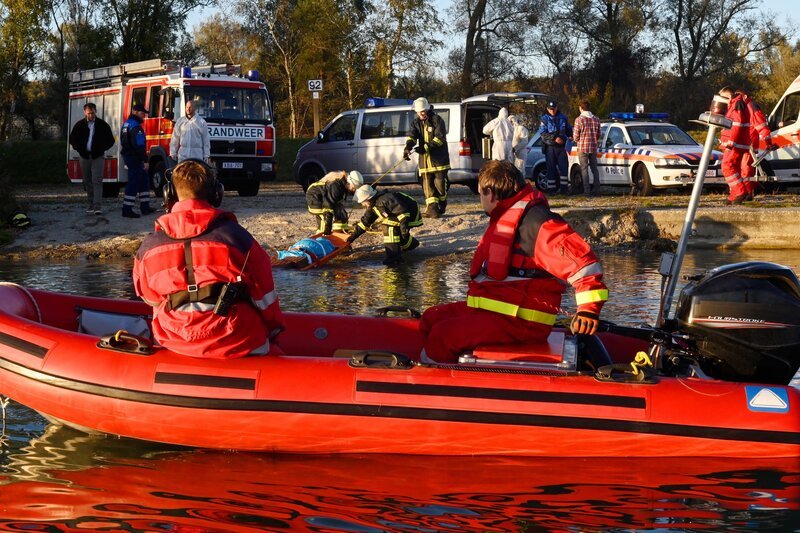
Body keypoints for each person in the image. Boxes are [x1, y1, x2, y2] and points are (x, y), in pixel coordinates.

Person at [419, 160, 608, 363]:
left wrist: (588, 310)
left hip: (521, 323)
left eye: (480, 193)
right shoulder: (507, 216)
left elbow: (584, 265)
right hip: (497, 311)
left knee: (443, 335)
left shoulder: (534, 223)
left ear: (490, 193)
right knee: (431, 318)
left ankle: (438, 385)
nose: (480, 199)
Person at [133, 159, 285, 358]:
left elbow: (149, 298)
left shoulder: (149, 247)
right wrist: (274, 331)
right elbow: (265, 297)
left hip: (173, 341)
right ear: (216, 194)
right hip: (236, 340)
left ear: (169, 195)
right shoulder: (237, 239)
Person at [718, 88, 777, 204]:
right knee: (740, 170)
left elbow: (761, 126)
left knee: (742, 170)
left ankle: (745, 192)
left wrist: (769, 143)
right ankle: (745, 192)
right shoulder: (744, 104)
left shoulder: (746, 105)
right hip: (744, 143)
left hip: (745, 143)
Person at [347, 184, 422, 266]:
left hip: (411, 213)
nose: (362, 204)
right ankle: (410, 245)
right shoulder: (373, 206)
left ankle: (393, 258)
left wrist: (404, 230)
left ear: (368, 198)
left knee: (388, 226)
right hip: (401, 215)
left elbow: (403, 213)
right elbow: (364, 223)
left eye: (362, 202)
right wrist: (351, 238)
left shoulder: (385, 200)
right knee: (395, 230)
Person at [404, 97, 450, 218]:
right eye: (419, 112)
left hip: (439, 160)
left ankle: (442, 202)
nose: (421, 114)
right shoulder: (416, 122)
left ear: (427, 109)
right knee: (427, 185)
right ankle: (432, 209)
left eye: (423, 111)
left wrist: (425, 147)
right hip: (424, 161)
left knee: (440, 184)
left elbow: (440, 138)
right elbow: (412, 136)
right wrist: (408, 147)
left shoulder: (437, 120)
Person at [68, 102, 115, 215]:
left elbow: (111, 140)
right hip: (84, 156)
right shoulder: (79, 125)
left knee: (97, 180)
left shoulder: (102, 125)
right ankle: (91, 204)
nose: (91, 115)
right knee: (87, 181)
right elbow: (72, 139)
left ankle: (97, 206)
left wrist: (101, 149)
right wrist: (80, 149)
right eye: (89, 113)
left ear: (95, 111)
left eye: (93, 113)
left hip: (97, 156)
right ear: (85, 112)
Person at [120, 104, 155, 218]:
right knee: (134, 183)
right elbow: (139, 145)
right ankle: (127, 209)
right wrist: (145, 160)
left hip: (129, 157)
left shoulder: (126, 124)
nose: (144, 116)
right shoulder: (136, 127)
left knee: (143, 181)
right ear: (135, 112)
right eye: (142, 113)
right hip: (135, 158)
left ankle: (145, 206)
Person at [305, 170, 363, 234]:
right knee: (324, 221)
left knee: (342, 214)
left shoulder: (343, 185)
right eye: (354, 187)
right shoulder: (336, 186)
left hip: (324, 199)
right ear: (349, 182)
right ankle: (321, 237)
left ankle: (340, 234)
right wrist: (328, 229)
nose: (354, 190)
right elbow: (328, 207)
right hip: (315, 198)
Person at [537, 100, 572, 193]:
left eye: (554, 108)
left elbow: (569, 129)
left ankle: (564, 190)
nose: (552, 111)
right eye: (550, 109)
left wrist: (570, 136)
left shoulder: (563, 118)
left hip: (562, 147)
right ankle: (552, 190)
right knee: (551, 169)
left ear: (557, 108)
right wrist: (554, 138)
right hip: (550, 147)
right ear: (548, 109)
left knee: (564, 168)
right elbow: (542, 133)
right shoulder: (544, 119)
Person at [572, 100, 602, 196]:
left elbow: (575, 136)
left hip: (582, 147)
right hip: (593, 147)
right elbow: (599, 134)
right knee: (594, 168)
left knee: (584, 169)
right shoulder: (596, 119)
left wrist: (577, 140)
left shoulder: (579, 120)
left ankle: (587, 191)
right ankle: (597, 189)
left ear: (580, 108)